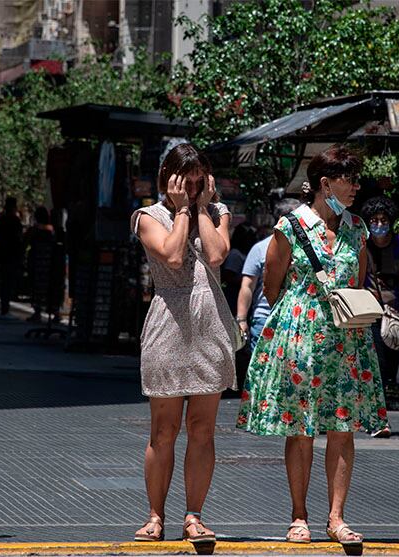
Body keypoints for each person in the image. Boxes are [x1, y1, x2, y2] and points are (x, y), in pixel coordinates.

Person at [237, 145, 387, 548]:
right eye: (349, 179)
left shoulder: (357, 227)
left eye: (357, 179)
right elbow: (272, 285)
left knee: (343, 428)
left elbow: (357, 280)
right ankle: (299, 515)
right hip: (301, 337)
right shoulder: (291, 226)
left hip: (345, 339)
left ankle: (336, 518)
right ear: (325, 183)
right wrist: (303, 310)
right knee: (301, 429)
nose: (357, 186)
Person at [129, 143, 237, 546]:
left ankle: (194, 515)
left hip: (210, 323)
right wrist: (180, 212)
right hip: (168, 323)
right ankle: (155, 516)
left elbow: (216, 255)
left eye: (198, 182)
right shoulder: (147, 216)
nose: (192, 190)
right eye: (185, 183)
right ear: (169, 179)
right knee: (164, 429)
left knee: (203, 429)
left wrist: (204, 210)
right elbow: (173, 257)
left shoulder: (217, 212)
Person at [361, 195, 399, 438]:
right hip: (369, 311)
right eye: (374, 219)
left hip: (394, 312)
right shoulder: (363, 244)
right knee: (377, 365)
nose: (379, 224)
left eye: (383, 220)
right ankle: (378, 419)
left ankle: (372, 415)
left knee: (387, 367)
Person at [236, 198, 302, 352]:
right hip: (265, 318)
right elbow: (247, 286)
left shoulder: (305, 248)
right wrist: (241, 319)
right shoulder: (260, 249)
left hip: (297, 318)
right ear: (282, 220)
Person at [25, 206, 57, 323]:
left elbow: (25, 242)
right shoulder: (51, 230)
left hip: (37, 262)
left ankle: (37, 311)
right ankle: (54, 312)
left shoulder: (34, 230)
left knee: (36, 286)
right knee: (50, 287)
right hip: (49, 263)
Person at [0, 196, 23, 319]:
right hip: (11, 255)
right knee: (9, 281)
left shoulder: (2, 219)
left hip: (4, 254)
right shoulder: (14, 220)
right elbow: (18, 238)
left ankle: (4, 306)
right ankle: (5, 307)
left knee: (4, 281)